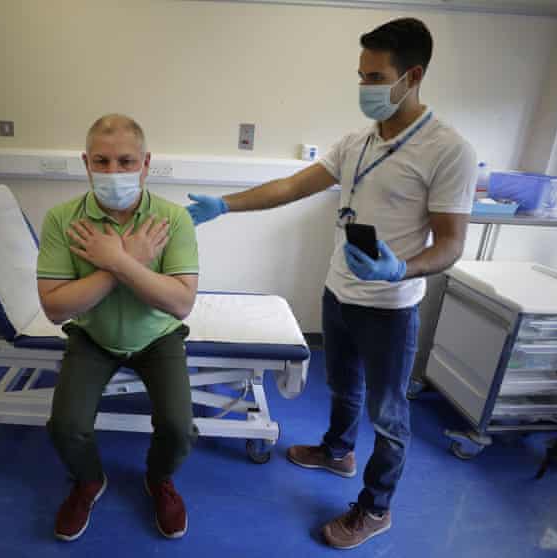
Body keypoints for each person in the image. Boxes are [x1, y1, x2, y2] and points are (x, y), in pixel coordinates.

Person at [186, 18, 476, 550]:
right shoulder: (359, 140)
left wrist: (400, 269)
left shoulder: (448, 150)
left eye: (375, 77)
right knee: (343, 386)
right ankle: (338, 451)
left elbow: (453, 242)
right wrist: (226, 205)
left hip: (390, 304)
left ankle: (375, 508)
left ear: (412, 76)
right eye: (361, 75)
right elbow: (293, 185)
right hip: (339, 290)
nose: (365, 87)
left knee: (388, 415)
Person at [37, 114, 200, 542]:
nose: (114, 173)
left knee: (180, 427)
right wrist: (124, 260)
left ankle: (158, 479)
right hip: (93, 336)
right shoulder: (62, 220)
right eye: (102, 161)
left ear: (146, 164)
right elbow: (55, 308)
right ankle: (89, 481)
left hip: (157, 336)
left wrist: (116, 259)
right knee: (64, 426)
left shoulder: (172, 219)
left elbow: (181, 303)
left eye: (126, 161)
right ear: (85, 162)